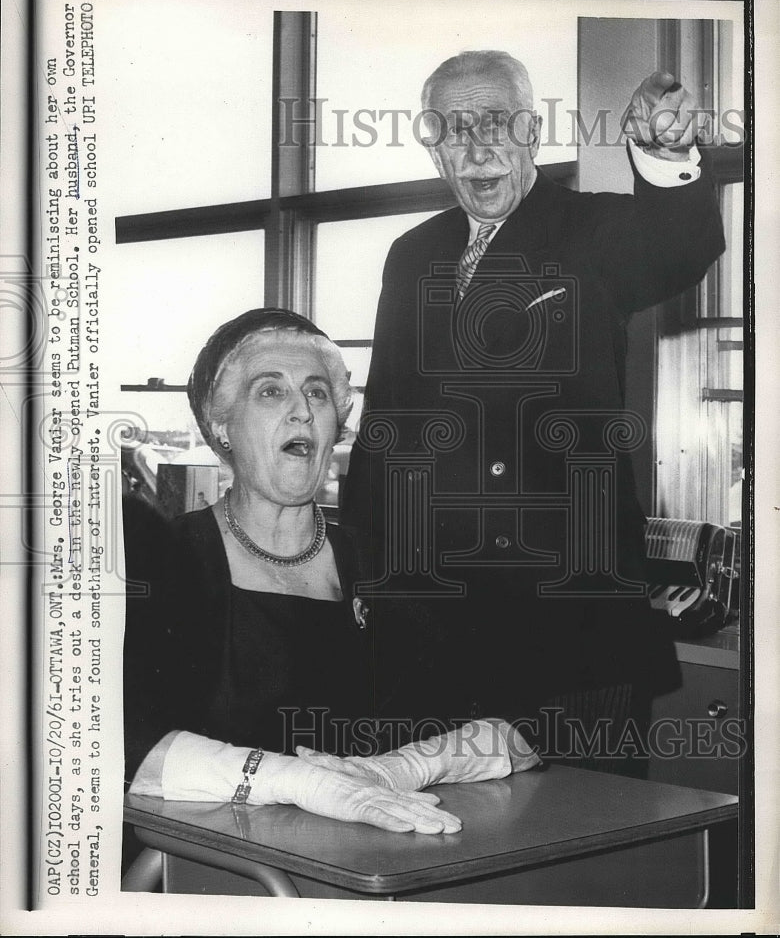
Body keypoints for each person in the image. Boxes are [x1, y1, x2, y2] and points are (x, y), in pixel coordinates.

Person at [341, 52, 726, 767]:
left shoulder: (591, 232)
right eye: (455, 129)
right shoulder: (411, 254)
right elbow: (383, 424)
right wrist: (366, 571)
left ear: (533, 132)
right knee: (422, 824)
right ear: (431, 146)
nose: (477, 149)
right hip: (424, 630)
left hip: (569, 629)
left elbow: (679, 244)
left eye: (497, 123)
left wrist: (666, 153)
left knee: (585, 824)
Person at [123, 308, 540, 838]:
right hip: (214, 863)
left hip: (376, 856)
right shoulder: (163, 564)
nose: (301, 410)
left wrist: (395, 770)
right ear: (221, 425)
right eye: (271, 391)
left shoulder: (388, 569)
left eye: (317, 393)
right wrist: (300, 780)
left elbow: (517, 729)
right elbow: (120, 744)